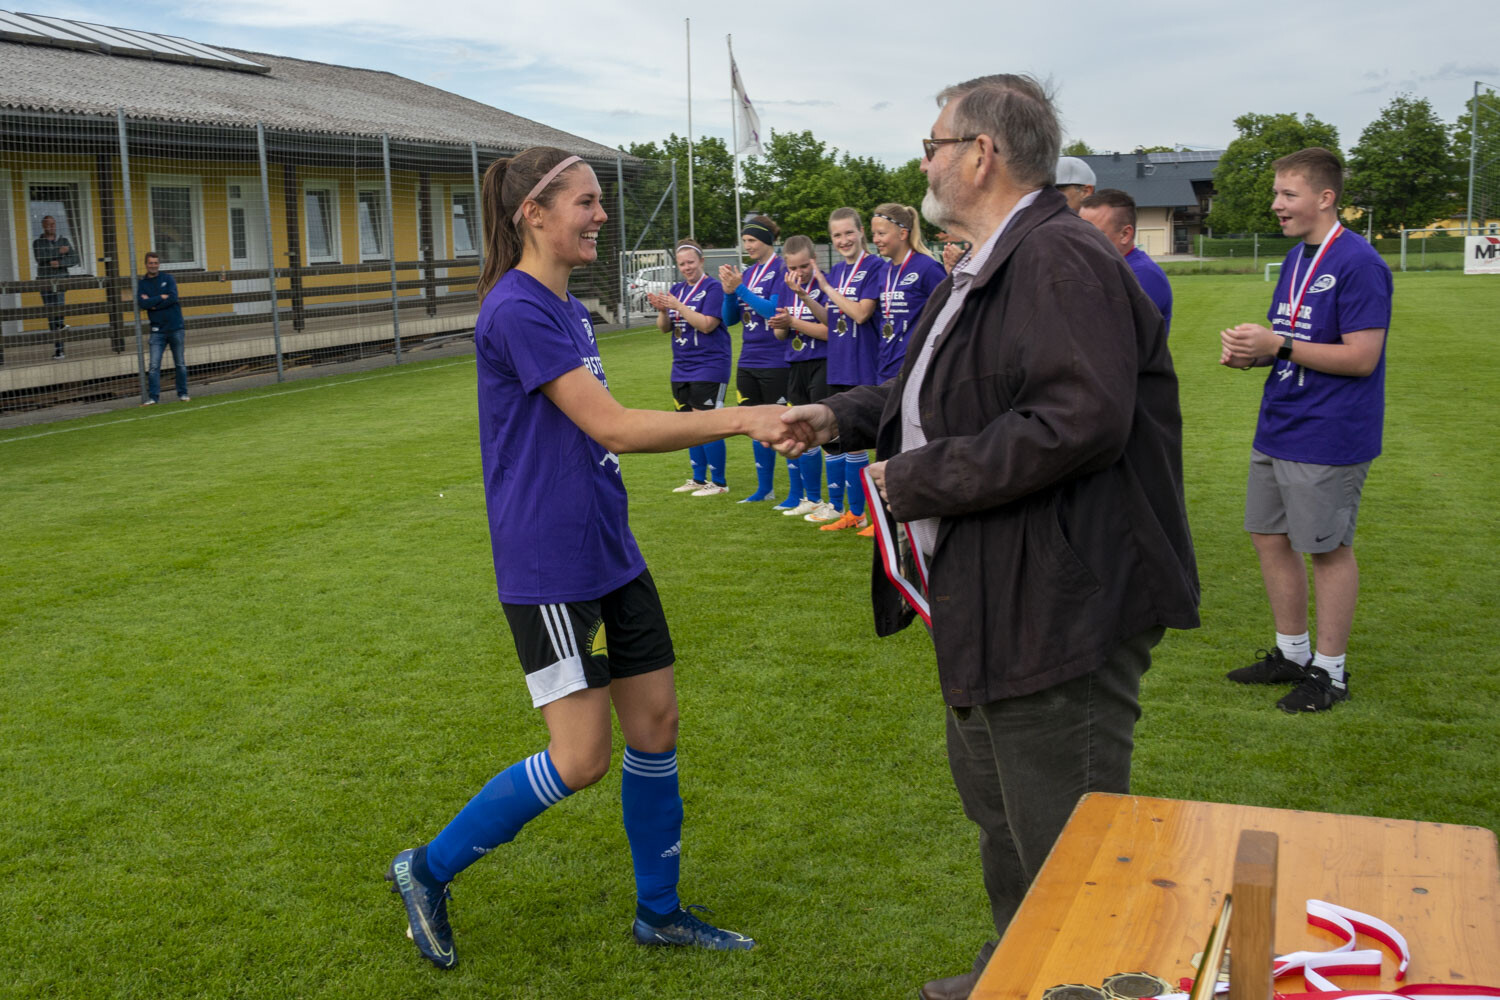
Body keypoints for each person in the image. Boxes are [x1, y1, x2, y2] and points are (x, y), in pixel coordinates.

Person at [776, 74, 1199, 1000]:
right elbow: (935, 391)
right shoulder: (992, 260)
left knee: (1070, 844)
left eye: (932, 143)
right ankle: (1016, 973)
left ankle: (1074, 980)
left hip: (1060, 598)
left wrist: (915, 480)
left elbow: (1078, 421)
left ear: (980, 153)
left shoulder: (1057, 259)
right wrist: (840, 415)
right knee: (1004, 816)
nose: (923, 162)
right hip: (996, 589)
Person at [387, 146, 783, 970]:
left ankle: (659, 913)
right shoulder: (517, 309)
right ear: (534, 214)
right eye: (588, 202)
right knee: (581, 759)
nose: (602, 215)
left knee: (657, 724)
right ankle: (424, 869)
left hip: (610, 549)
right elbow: (613, 427)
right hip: (551, 566)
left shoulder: (566, 306)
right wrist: (747, 417)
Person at [1218, 147, 1392, 714]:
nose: (1276, 204)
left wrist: (1280, 345)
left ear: (1325, 197)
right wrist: (1254, 354)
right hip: (1280, 422)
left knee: (1327, 549)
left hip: (1328, 432)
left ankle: (1330, 672)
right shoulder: (1297, 257)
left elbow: (1362, 357)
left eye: (1288, 194)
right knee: (1269, 538)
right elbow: (1292, 339)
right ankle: (1292, 654)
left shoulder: (1359, 262)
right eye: (1277, 193)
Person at [806, 207, 887, 531]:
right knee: (851, 441)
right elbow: (832, 319)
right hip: (839, 365)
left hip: (867, 366)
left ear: (861, 232)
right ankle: (855, 513)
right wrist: (806, 297)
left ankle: (882, 518)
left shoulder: (875, 266)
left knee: (878, 444)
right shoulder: (838, 271)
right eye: (837, 235)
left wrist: (826, 289)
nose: (843, 240)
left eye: (848, 232)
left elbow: (861, 314)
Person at [650, 239, 729, 496]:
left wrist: (678, 307)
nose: (687, 268)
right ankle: (698, 478)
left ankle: (719, 483)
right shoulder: (677, 290)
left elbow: (707, 325)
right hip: (681, 366)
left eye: (691, 262)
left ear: (701, 261)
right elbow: (664, 328)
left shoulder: (713, 288)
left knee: (706, 422)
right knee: (687, 423)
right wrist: (663, 311)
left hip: (709, 364)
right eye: (682, 264)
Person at [719, 216, 789, 504]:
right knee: (756, 428)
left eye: (752, 240)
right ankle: (765, 490)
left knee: (785, 427)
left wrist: (740, 289)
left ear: (767, 241)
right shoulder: (748, 273)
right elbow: (729, 319)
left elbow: (774, 311)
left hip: (776, 360)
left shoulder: (781, 269)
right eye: (744, 240)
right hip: (748, 360)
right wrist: (728, 294)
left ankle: (799, 494)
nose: (746, 245)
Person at [768, 235, 830, 517]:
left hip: (822, 363)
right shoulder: (786, 287)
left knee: (824, 433)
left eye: (804, 266)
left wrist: (793, 322)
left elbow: (828, 332)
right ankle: (812, 498)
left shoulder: (825, 285)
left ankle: (836, 502)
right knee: (801, 432)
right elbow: (780, 335)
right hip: (795, 364)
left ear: (814, 260)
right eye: (793, 267)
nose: (800, 272)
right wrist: (781, 324)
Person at [1080, 188, 1173, 336]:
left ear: (1125, 234)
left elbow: (1109, 336)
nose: (1082, 241)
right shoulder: (1099, 269)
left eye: (1093, 234)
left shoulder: (1144, 276)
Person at [136, 251, 189, 405]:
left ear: (159, 264)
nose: (153, 265)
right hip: (157, 330)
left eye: (156, 263)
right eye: (150, 263)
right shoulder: (142, 284)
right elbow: (143, 303)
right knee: (154, 365)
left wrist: (153, 304)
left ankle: (183, 393)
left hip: (175, 327)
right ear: (146, 264)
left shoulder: (168, 278)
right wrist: (160, 297)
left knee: (180, 363)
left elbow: (173, 298)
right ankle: (153, 397)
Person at [33, 214, 78, 359]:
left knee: (58, 312)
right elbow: (40, 257)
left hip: (60, 282)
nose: (51, 226)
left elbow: (75, 258)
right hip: (45, 282)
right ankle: (59, 348)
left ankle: (60, 348)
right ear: (43, 226)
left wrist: (60, 263)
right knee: (51, 315)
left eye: (53, 224)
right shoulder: (37, 242)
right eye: (48, 224)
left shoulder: (64, 240)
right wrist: (59, 251)